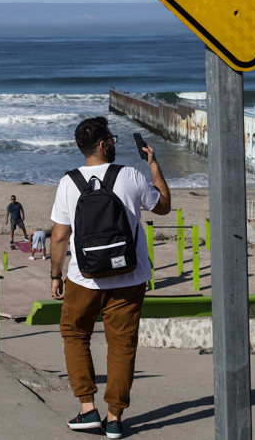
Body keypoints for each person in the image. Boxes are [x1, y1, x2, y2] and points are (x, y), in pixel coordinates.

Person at [50, 117, 170, 438]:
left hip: (83, 278)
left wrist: (55, 275)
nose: (115, 143)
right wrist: (154, 165)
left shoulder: (68, 183)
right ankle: (114, 418)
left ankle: (87, 410)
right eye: (112, 139)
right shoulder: (130, 175)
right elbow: (164, 206)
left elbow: (60, 237)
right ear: (104, 144)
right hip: (129, 277)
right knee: (122, 345)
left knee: (75, 334)